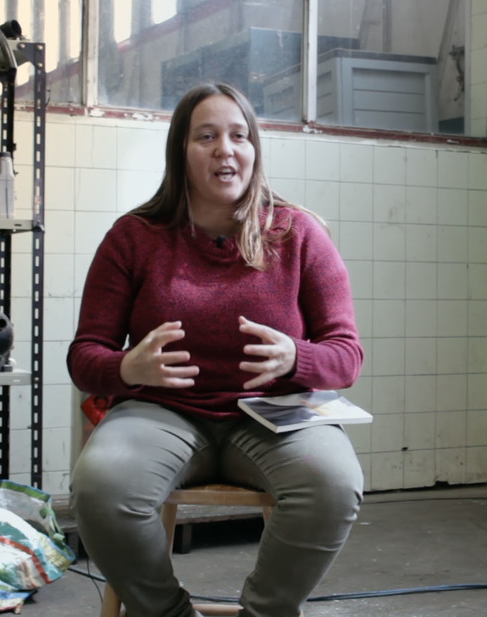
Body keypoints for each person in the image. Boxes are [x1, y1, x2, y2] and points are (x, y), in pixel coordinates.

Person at [67, 82, 364, 617]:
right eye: (206, 137)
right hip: (162, 413)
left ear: (254, 150)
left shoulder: (297, 234)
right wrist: (127, 367)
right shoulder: (133, 237)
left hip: (275, 415)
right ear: (181, 151)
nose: (225, 149)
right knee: (100, 487)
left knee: (334, 485)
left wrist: (297, 358)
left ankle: (263, 612)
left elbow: (346, 356)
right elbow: (85, 356)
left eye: (238, 136)